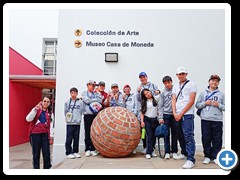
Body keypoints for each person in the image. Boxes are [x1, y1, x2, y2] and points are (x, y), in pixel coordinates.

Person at [195, 74, 225, 165]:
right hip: (205, 120)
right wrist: (205, 103)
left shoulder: (221, 95)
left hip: (217, 120)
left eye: (216, 81)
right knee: (206, 138)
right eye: (212, 80)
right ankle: (207, 156)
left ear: (218, 83)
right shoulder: (203, 93)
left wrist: (218, 105)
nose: (214, 82)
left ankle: (215, 156)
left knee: (217, 139)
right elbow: (197, 105)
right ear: (209, 81)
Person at [172, 66, 197, 169]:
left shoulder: (192, 84)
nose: (181, 75)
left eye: (183, 73)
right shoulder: (175, 86)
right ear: (177, 75)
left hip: (187, 114)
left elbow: (191, 101)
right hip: (176, 114)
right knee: (180, 135)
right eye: (179, 74)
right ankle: (184, 152)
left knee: (188, 135)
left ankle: (191, 159)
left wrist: (181, 113)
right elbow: (173, 100)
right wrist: (174, 113)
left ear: (186, 74)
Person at [158, 76, 187, 160]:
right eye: (165, 83)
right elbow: (160, 106)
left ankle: (174, 151)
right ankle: (167, 152)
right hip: (166, 115)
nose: (167, 84)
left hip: (175, 115)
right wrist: (160, 117)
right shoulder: (162, 93)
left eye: (168, 82)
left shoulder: (176, 90)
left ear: (171, 82)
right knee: (166, 134)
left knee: (175, 134)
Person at [136, 72, 160, 154]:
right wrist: (138, 91)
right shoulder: (139, 87)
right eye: (141, 78)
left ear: (147, 77)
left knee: (152, 134)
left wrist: (158, 91)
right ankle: (145, 147)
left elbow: (157, 94)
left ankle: (151, 148)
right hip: (144, 111)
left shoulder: (153, 85)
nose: (142, 79)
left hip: (153, 112)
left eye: (144, 77)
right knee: (144, 132)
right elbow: (139, 99)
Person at [26, 96, 52, 169]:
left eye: (48, 102)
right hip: (35, 134)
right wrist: (35, 110)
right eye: (44, 101)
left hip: (45, 134)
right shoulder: (36, 109)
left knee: (47, 153)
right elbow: (28, 119)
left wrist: (51, 136)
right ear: (41, 101)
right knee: (36, 154)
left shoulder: (50, 113)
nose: (46, 103)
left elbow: (51, 125)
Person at [81, 80, 102, 157]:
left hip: (94, 115)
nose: (93, 87)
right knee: (87, 132)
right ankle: (87, 149)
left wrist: (95, 99)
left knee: (94, 132)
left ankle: (93, 149)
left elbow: (100, 100)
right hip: (87, 115)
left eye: (94, 86)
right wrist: (95, 100)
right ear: (88, 85)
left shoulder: (96, 93)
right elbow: (86, 100)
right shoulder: (84, 93)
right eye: (92, 85)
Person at [64, 87, 83, 159]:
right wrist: (68, 119)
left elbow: (81, 111)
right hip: (70, 123)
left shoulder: (80, 102)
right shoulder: (67, 102)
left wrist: (78, 119)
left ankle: (75, 151)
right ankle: (68, 152)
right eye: (72, 93)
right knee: (69, 138)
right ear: (70, 93)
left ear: (77, 93)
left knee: (76, 138)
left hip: (77, 123)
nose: (73, 94)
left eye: (75, 93)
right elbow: (65, 111)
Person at [140, 89, 160, 159]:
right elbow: (142, 113)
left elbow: (160, 94)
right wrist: (142, 122)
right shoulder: (144, 102)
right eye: (146, 94)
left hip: (155, 120)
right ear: (144, 96)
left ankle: (152, 151)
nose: (148, 94)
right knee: (149, 136)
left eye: (148, 92)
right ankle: (148, 152)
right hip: (147, 120)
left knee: (154, 136)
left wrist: (158, 91)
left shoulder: (156, 99)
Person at [122, 84, 138, 154]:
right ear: (124, 90)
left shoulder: (134, 96)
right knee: (125, 134)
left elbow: (136, 106)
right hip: (125, 118)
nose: (127, 90)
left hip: (132, 116)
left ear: (130, 89)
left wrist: (133, 114)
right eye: (126, 88)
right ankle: (126, 148)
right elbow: (122, 107)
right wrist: (123, 99)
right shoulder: (123, 97)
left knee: (133, 133)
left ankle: (133, 148)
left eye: (128, 88)